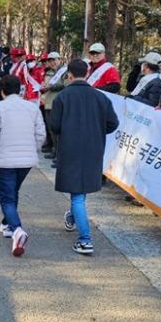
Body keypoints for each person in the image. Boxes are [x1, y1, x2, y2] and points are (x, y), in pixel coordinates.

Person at [48, 58, 119, 256]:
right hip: (93, 149)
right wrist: (96, 130)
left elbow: (54, 126)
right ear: (87, 74)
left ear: (69, 75)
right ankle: (72, 216)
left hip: (71, 148)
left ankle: (85, 239)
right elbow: (113, 123)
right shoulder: (100, 97)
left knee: (77, 194)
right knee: (80, 188)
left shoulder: (62, 97)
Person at [0, 74, 45, 257]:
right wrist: (31, 150)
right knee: (13, 191)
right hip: (26, 160)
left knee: (6, 197)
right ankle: (8, 224)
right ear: (19, 89)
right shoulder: (32, 108)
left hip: (5, 159)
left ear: (2, 91)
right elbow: (41, 134)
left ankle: (18, 230)